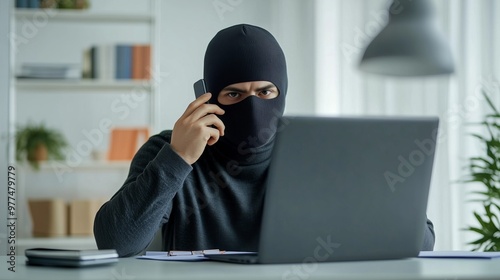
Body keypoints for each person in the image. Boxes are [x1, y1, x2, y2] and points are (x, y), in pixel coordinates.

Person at [93, 24, 435, 257]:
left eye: (265, 91)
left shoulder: (317, 152)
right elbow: (116, 243)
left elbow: (422, 241)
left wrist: (362, 180)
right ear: (208, 97)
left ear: (282, 92)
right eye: (234, 94)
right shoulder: (168, 150)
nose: (253, 104)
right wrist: (178, 158)